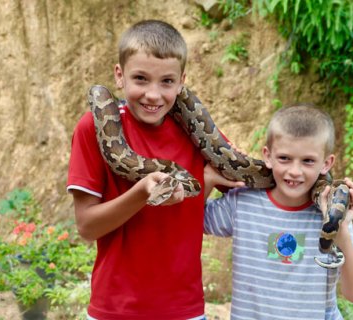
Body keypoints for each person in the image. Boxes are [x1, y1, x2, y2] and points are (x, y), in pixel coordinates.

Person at [67, 20, 240, 320]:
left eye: (166, 82)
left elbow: (248, 186)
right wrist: (143, 192)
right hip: (114, 309)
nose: (153, 95)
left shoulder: (195, 132)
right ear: (119, 76)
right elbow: (86, 226)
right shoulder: (92, 127)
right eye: (141, 79)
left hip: (183, 309)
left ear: (182, 81)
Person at [203, 105, 353, 320]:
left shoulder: (331, 214)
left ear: (326, 163)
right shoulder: (242, 202)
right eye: (284, 158)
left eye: (308, 161)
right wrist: (207, 180)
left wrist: (342, 228)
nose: (294, 171)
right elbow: (194, 221)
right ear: (267, 156)